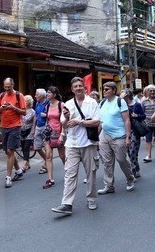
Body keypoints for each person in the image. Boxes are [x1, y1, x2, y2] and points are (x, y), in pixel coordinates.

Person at [52, 76, 100, 215]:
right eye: (75, 87)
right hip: (72, 144)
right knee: (69, 174)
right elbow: (64, 124)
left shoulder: (92, 103)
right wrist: (66, 117)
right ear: (72, 89)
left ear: (84, 87)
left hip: (88, 143)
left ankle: (91, 198)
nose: (78, 88)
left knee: (90, 173)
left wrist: (79, 122)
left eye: (80, 86)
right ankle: (66, 204)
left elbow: (97, 122)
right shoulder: (68, 104)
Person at [97, 81, 135, 195]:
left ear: (114, 90)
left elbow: (127, 120)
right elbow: (100, 121)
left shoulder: (120, 101)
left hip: (118, 136)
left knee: (122, 159)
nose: (104, 91)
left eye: (107, 89)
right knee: (107, 161)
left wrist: (128, 137)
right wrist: (97, 136)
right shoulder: (102, 102)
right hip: (104, 135)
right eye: (103, 89)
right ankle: (109, 185)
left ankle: (130, 179)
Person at [0, 77, 27, 188]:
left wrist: (13, 108)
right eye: (5, 87)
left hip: (15, 126)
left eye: (9, 87)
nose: (7, 89)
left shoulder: (19, 96)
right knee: (8, 152)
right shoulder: (1, 95)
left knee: (10, 150)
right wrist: (2, 108)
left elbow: (24, 112)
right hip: (4, 126)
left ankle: (8, 177)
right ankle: (18, 170)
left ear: (13, 85)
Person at [42, 86, 66, 189]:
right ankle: (50, 179)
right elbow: (48, 119)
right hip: (49, 133)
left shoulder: (61, 105)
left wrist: (62, 134)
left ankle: (69, 172)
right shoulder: (47, 106)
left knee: (62, 156)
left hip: (59, 133)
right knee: (48, 155)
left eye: (48, 93)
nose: (47, 94)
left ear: (54, 94)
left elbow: (65, 120)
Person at [123, 89, 146, 178]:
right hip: (125, 131)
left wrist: (137, 116)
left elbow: (143, 116)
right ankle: (136, 167)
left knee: (133, 151)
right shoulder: (121, 105)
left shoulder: (136, 105)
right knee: (129, 151)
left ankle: (133, 170)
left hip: (135, 130)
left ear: (127, 95)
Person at [142, 84, 155, 163]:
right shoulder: (144, 102)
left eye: (154, 90)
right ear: (147, 92)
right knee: (148, 139)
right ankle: (149, 155)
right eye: (151, 91)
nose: (152, 92)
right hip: (148, 124)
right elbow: (142, 112)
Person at [32, 88, 49, 174]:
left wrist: (46, 115)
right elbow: (35, 115)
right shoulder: (37, 103)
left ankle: (46, 164)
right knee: (37, 147)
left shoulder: (48, 103)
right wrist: (33, 128)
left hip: (46, 126)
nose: (35, 96)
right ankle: (47, 159)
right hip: (38, 126)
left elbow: (53, 114)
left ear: (42, 95)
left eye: (37, 94)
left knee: (47, 146)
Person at [20, 95, 36, 172]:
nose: (24, 102)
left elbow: (34, 123)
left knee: (26, 147)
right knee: (23, 147)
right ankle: (28, 163)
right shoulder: (21, 110)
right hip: (22, 131)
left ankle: (24, 165)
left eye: (26, 101)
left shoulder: (33, 112)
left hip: (29, 131)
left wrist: (33, 131)